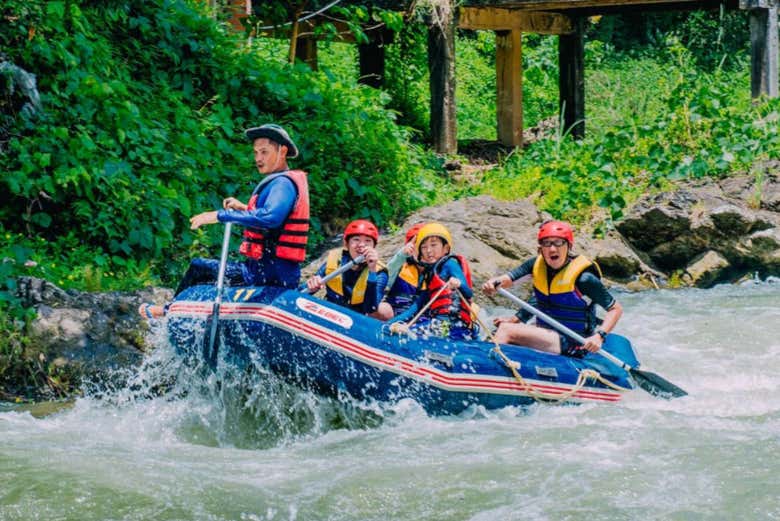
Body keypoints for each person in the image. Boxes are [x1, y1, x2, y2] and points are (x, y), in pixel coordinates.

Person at [139, 123, 309, 319]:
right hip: (264, 273)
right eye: (255, 153)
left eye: (264, 152)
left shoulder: (283, 183)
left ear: (283, 151)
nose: (258, 159)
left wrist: (219, 215)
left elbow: (270, 218)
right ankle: (178, 312)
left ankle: (170, 312)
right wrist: (244, 208)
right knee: (204, 270)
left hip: (271, 277)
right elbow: (276, 221)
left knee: (201, 268)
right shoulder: (280, 183)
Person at [482, 220, 623, 358]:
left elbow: (615, 309)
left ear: (569, 246)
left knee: (506, 331)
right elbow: (507, 280)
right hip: (546, 334)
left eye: (558, 242)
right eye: (546, 243)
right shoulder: (535, 265)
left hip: (574, 342)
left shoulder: (584, 279)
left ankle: (488, 366)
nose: (552, 249)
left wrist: (600, 336)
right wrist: (494, 283)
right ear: (540, 248)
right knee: (497, 331)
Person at [387, 223, 476, 340]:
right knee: (405, 331)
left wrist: (458, 284)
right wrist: (389, 324)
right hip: (438, 323)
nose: (428, 250)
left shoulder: (450, 264)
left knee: (409, 335)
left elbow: (468, 293)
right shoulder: (430, 275)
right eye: (424, 247)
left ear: (446, 249)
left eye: (433, 245)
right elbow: (417, 306)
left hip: (454, 325)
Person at [305, 219, 393, 320]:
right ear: (346, 244)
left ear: (374, 246)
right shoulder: (335, 261)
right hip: (332, 311)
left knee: (385, 310)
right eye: (356, 240)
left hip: (358, 317)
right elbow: (304, 290)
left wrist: (372, 270)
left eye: (368, 241)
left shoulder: (379, 272)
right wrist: (313, 284)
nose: (362, 245)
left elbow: (371, 308)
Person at [382, 222, 425, 316]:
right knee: (381, 309)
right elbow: (384, 279)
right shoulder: (400, 264)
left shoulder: (438, 270)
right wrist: (402, 255)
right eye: (418, 245)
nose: (423, 250)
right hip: (394, 314)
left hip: (421, 319)